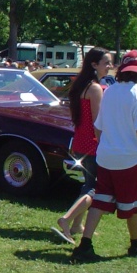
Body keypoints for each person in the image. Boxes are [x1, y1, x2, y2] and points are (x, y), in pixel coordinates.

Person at [71, 50, 137, 262]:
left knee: (99, 200)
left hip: (106, 156)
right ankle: (136, 244)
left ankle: (85, 244)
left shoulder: (109, 91)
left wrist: (106, 145)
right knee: (134, 202)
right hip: (129, 158)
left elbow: (98, 127)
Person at [52, 47, 112, 244]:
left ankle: (77, 224)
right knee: (94, 188)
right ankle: (66, 219)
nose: (110, 67)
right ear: (94, 65)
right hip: (92, 144)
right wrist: (104, 144)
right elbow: (98, 121)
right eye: (106, 63)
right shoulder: (94, 88)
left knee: (87, 185)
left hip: (80, 142)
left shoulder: (80, 86)